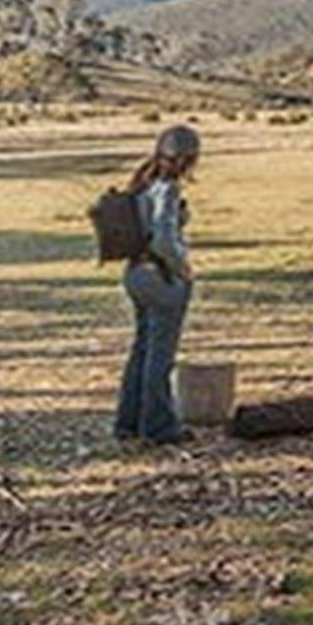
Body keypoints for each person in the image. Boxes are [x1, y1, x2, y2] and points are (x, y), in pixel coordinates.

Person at [114, 124, 200, 445]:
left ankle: (129, 422)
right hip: (161, 277)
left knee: (142, 349)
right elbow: (163, 239)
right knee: (160, 356)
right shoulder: (167, 188)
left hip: (135, 273)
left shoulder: (141, 183)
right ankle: (160, 428)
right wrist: (184, 268)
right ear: (188, 158)